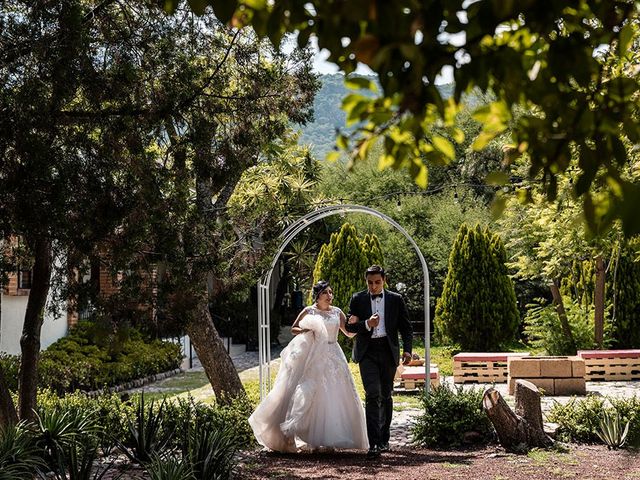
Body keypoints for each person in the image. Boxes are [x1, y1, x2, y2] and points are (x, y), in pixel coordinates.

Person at [248, 280, 368, 452]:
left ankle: (331, 438)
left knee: (335, 394)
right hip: (314, 354)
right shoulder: (309, 311)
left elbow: (348, 333)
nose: (330, 296)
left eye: (331, 292)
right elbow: (294, 328)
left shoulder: (337, 312)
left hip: (334, 354)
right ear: (318, 295)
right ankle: (309, 436)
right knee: (311, 392)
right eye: (326, 292)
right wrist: (309, 330)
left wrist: (363, 325)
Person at [345, 265, 413, 459]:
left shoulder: (395, 299)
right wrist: (367, 323)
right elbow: (350, 326)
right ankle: (373, 444)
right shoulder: (357, 299)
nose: (373, 286)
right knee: (372, 394)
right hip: (367, 352)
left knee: (385, 395)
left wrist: (408, 350)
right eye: (370, 283)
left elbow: (406, 328)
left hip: (388, 350)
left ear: (384, 280)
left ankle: (384, 438)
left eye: (377, 282)